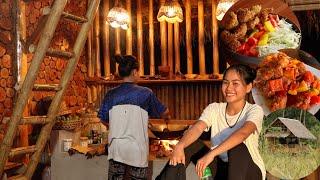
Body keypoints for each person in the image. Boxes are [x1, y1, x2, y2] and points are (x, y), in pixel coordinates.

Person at [156, 64, 266, 180]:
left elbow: (242, 134)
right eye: (225, 82)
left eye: (235, 83)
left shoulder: (255, 110)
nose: (229, 88)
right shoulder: (214, 108)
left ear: (248, 87)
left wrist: (212, 153)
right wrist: (180, 146)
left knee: (237, 147)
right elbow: (197, 128)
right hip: (222, 170)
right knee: (188, 144)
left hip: (249, 172)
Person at [98, 54, 170, 180]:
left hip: (117, 147)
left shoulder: (111, 94)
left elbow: (103, 119)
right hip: (137, 148)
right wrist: (167, 117)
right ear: (134, 72)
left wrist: (118, 126)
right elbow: (164, 111)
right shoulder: (146, 93)